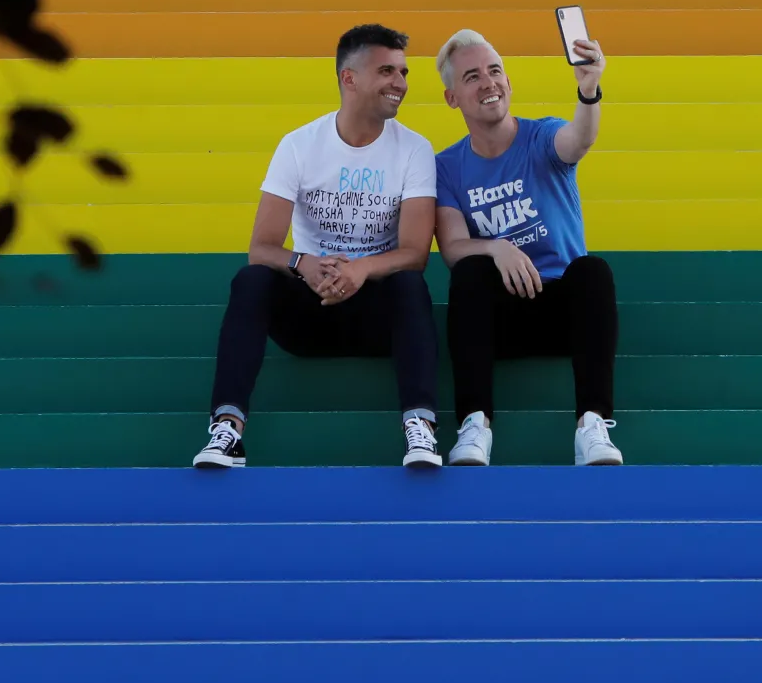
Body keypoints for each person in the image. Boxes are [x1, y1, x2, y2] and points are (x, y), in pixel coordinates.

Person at [193, 24, 444, 471]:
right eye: (387, 71)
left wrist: (361, 270)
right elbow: (261, 248)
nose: (401, 84)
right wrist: (302, 264)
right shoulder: (299, 145)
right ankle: (228, 429)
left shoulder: (415, 150)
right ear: (349, 78)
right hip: (312, 311)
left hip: (377, 317)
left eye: (404, 72)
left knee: (410, 285)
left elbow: (415, 253)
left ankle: (420, 428)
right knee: (251, 281)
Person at [430, 28, 622, 466]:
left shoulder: (541, 137)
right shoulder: (446, 166)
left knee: (593, 272)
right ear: (452, 97)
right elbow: (454, 246)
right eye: (472, 76)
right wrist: (497, 248)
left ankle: (592, 426)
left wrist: (588, 90)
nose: (488, 83)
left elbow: (580, 140)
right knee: (469, 273)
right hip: (498, 320)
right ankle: (474, 426)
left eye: (495, 71)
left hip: (563, 313)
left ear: (509, 83)